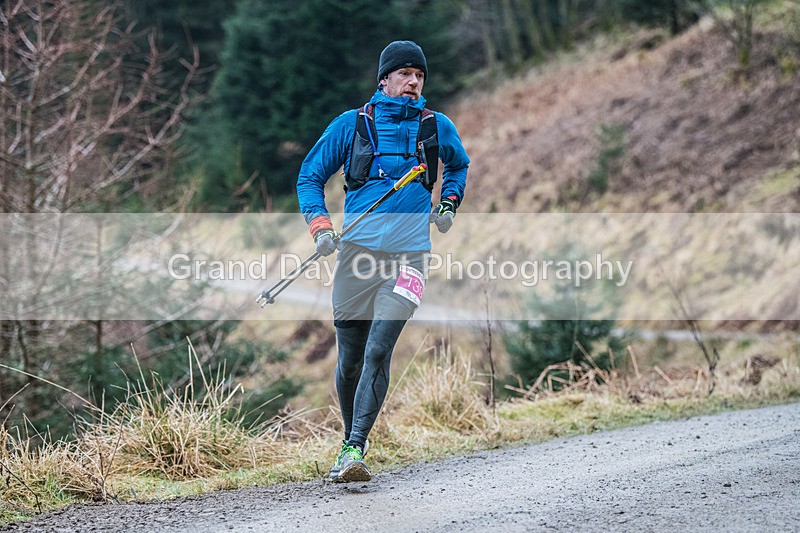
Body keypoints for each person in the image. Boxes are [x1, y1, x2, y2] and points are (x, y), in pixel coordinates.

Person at [296, 40, 470, 483]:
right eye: (406, 74)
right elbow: (309, 177)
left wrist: (448, 203)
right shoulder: (352, 125)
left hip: (410, 258)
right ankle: (346, 441)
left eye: (421, 76)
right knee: (350, 358)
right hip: (356, 256)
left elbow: (459, 166)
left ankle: (354, 448)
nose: (414, 82)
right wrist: (321, 229)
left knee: (379, 348)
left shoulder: (436, 126)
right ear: (384, 80)